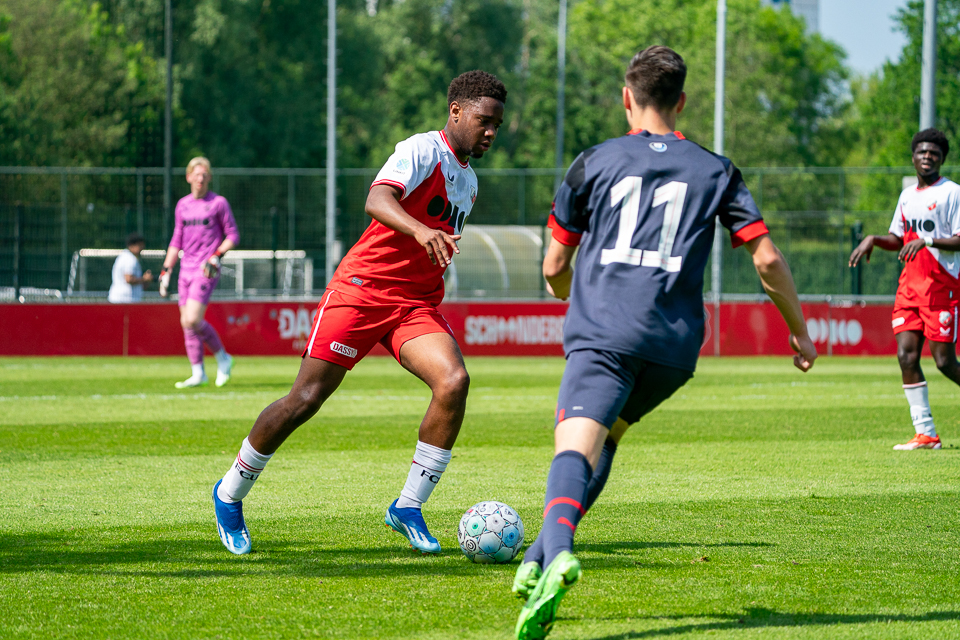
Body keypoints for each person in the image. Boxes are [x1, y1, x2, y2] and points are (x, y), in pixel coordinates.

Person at [512, 46, 817, 640]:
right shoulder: (717, 170)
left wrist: (572, 291)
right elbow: (767, 259)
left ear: (626, 98)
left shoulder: (593, 161)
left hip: (605, 334)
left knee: (572, 447)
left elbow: (553, 267)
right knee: (607, 438)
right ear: (682, 102)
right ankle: (537, 558)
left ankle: (558, 553)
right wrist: (800, 330)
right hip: (675, 350)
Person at [211, 70, 507, 556]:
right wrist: (421, 231)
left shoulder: (469, 182)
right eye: (484, 121)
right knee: (306, 398)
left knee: (454, 381)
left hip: (414, 303)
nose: (491, 132)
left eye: (497, 124)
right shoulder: (421, 150)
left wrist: (433, 249)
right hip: (362, 291)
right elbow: (377, 199)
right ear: (456, 111)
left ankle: (408, 506)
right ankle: (229, 492)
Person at [849, 129, 960, 451]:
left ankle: (926, 433)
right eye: (922, 152)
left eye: (934, 153)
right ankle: (926, 433)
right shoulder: (907, 196)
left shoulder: (952, 193)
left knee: (944, 362)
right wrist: (873, 239)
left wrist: (927, 240)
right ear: (913, 157)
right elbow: (899, 239)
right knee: (906, 356)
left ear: (942, 158)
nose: (927, 157)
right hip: (909, 290)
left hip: (941, 288)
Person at [159, 157, 239, 389]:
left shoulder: (218, 203)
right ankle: (198, 373)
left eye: (204, 175)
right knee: (186, 322)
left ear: (209, 178)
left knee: (193, 318)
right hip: (185, 269)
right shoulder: (182, 205)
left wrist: (216, 255)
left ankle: (223, 357)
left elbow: (233, 235)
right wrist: (166, 270)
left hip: (206, 269)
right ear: (188, 177)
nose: (200, 179)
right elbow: (177, 239)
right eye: (196, 174)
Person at [107, 232, 153, 303]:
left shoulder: (124, 256)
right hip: (124, 300)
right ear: (131, 245)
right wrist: (144, 279)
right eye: (139, 245)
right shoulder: (130, 259)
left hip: (121, 299)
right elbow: (129, 279)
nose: (142, 248)